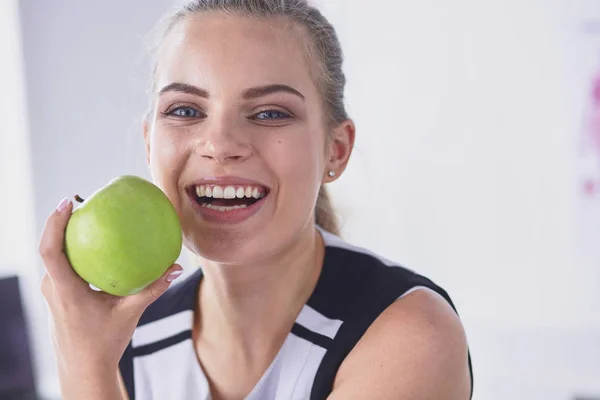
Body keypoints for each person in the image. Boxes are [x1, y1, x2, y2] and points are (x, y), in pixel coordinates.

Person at [39, 1, 473, 399]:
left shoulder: (408, 334)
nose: (221, 144)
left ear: (335, 150)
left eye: (270, 113)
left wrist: (86, 372)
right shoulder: (127, 339)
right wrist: (91, 360)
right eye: (186, 110)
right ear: (150, 143)